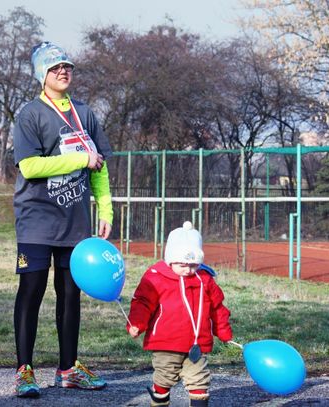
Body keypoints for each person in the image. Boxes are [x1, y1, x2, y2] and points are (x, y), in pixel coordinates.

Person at [12, 41, 113, 398]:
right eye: (55, 68)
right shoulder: (30, 114)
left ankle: (68, 369)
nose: (63, 72)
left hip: (76, 223)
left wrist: (106, 208)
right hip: (37, 220)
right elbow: (30, 166)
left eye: (67, 66)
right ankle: (25, 372)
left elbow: (99, 165)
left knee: (70, 295)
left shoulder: (85, 113)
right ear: (42, 75)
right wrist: (78, 160)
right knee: (31, 291)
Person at [127, 221, 233, 407]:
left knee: (200, 381)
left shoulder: (204, 280)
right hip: (165, 343)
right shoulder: (155, 278)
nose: (188, 270)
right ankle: (159, 398)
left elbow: (217, 307)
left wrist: (223, 331)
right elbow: (142, 303)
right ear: (170, 259)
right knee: (164, 378)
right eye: (182, 264)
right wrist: (136, 323)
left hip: (196, 344)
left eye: (193, 265)